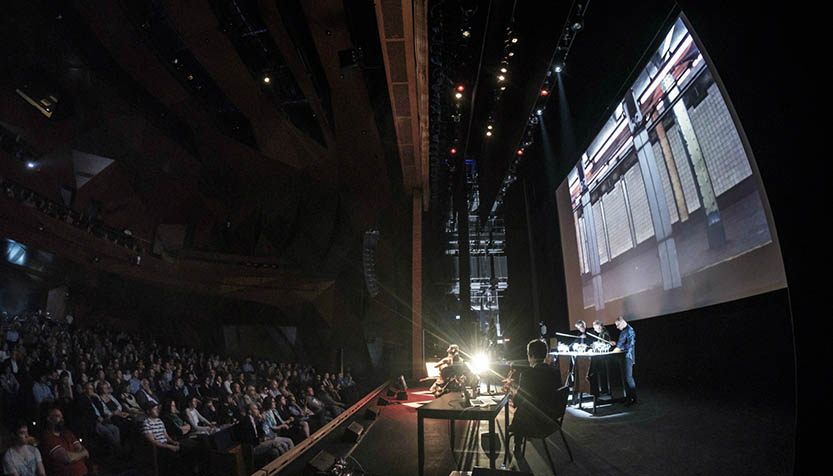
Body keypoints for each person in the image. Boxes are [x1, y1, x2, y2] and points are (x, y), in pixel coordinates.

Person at [509, 339, 562, 453]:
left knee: (520, 412)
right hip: (552, 418)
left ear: (530, 355)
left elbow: (517, 401)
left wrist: (513, 393)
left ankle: (517, 446)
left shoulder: (527, 374)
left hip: (537, 422)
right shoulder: (555, 372)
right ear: (545, 354)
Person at [40, 407, 90, 476]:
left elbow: (81, 449)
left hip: (83, 472)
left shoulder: (67, 433)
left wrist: (77, 455)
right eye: (58, 416)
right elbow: (67, 458)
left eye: (62, 417)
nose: (62, 419)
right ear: (49, 419)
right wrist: (82, 454)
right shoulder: (47, 437)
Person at [610, 316, 637, 406]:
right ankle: (629, 397)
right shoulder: (623, 331)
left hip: (627, 357)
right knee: (625, 379)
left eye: (618, 325)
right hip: (622, 356)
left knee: (628, 378)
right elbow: (621, 343)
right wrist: (616, 344)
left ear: (622, 322)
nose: (617, 327)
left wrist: (619, 349)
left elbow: (630, 345)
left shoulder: (630, 330)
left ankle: (632, 398)